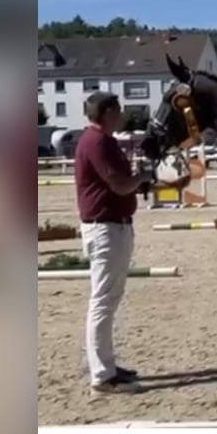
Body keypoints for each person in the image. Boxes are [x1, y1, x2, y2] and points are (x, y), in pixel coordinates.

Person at [75, 92, 156, 394]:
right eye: (118, 110)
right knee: (103, 300)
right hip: (105, 227)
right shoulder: (98, 142)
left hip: (113, 225)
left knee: (109, 299)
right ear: (108, 112)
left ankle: (106, 365)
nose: (122, 114)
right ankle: (102, 374)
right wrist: (142, 176)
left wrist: (135, 176)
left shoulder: (100, 141)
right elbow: (119, 184)